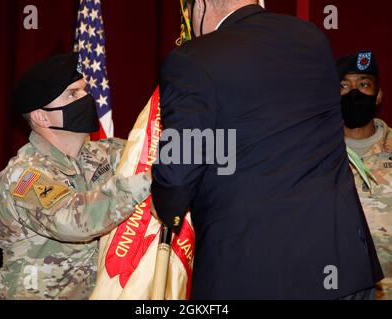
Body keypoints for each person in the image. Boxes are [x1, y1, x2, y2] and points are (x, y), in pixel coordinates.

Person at [152, 0, 383, 299]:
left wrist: (165, 202)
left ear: (203, 6)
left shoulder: (192, 59)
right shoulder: (311, 39)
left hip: (254, 273)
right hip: (341, 263)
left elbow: (178, 173)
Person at [0, 53, 151, 300]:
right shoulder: (24, 176)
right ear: (41, 116)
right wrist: (152, 180)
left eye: (84, 91)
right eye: (73, 94)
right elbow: (73, 220)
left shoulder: (103, 153)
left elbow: (152, 151)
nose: (86, 99)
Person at [337, 51, 391, 300]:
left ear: (378, 96)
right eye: (344, 85)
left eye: (364, 85)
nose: (354, 93)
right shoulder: (317, 154)